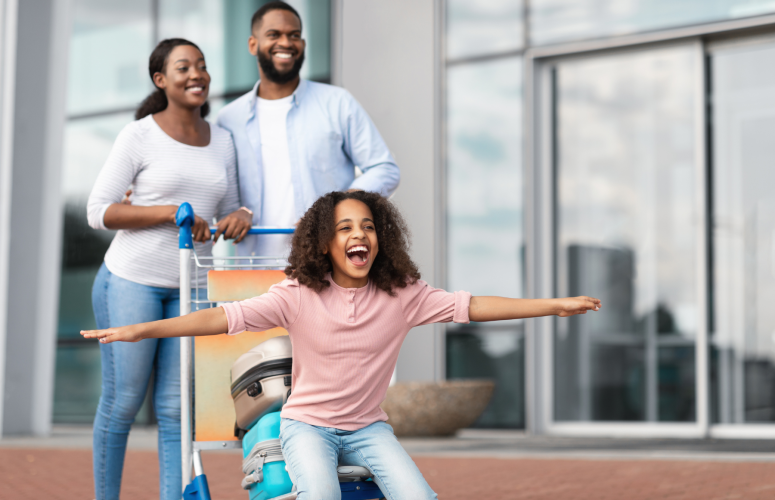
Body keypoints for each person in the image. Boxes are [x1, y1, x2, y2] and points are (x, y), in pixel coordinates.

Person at [82, 191, 601, 500]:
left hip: (369, 429)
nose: (361, 235)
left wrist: (552, 305)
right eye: (346, 228)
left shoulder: (404, 297)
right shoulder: (297, 295)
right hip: (307, 427)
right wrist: (137, 330)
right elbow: (222, 318)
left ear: (381, 240)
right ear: (325, 243)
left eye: (369, 227)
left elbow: (473, 306)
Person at [85, 38, 252, 500]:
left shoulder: (223, 139)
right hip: (131, 281)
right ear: (161, 80)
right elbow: (98, 211)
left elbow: (233, 204)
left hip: (191, 287)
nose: (196, 73)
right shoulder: (139, 135)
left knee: (177, 410)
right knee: (122, 403)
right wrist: (165, 211)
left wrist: (242, 216)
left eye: (201, 65)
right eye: (184, 67)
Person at [217, 1, 400, 258]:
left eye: (294, 35)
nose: (287, 42)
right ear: (253, 44)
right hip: (253, 267)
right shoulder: (228, 118)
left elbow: (385, 169)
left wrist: (334, 210)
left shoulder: (337, 102)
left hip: (324, 264)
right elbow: (220, 189)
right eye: (274, 35)